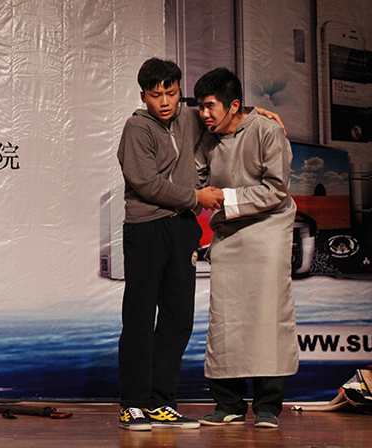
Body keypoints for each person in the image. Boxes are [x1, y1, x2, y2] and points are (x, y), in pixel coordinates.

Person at [116, 58, 224, 431]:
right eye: (155, 95)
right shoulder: (137, 128)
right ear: (143, 96)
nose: (164, 102)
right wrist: (196, 197)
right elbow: (146, 183)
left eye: (171, 93)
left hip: (181, 228)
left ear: (180, 92)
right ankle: (133, 404)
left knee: (178, 319)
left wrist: (261, 115)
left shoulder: (190, 118)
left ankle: (162, 403)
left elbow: (225, 117)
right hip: (146, 228)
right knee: (139, 317)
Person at [193, 68, 298, 428]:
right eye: (201, 107)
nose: (204, 114)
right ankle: (229, 403)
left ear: (234, 105)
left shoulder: (267, 131)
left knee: (268, 317)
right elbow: (196, 182)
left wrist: (225, 198)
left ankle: (268, 405)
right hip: (228, 234)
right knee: (225, 320)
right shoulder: (207, 139)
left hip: (268, 229)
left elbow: (276, 189)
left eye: (210, 106)